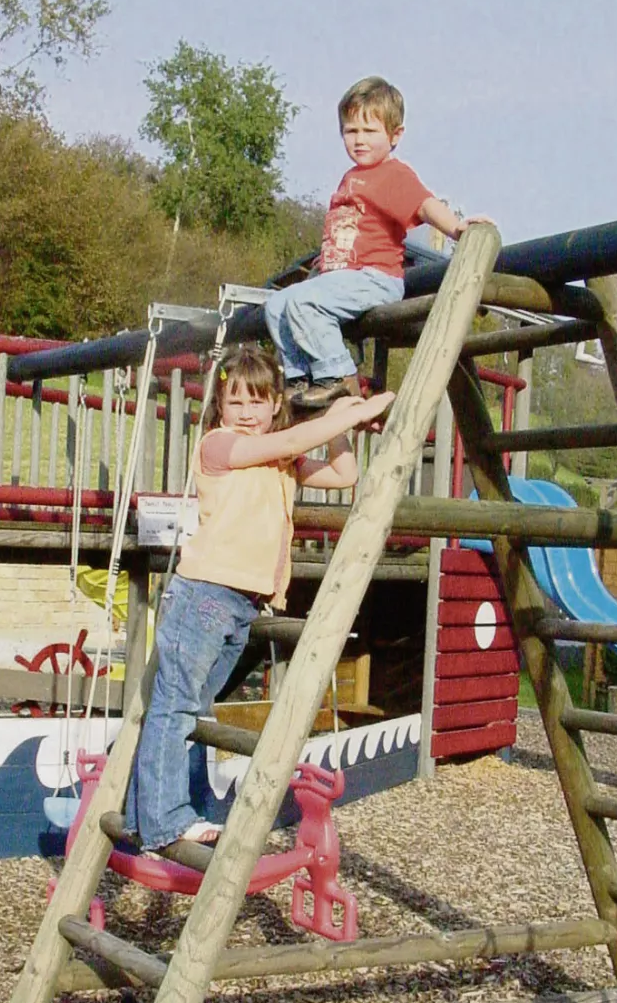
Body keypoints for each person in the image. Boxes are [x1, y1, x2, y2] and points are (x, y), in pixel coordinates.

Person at [128, 344, 395, 851]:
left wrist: (339, 423)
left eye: (257, 402)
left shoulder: (281, 461)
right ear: (219, 408)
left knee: (190, 708)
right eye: (236, 402)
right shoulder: (219, 446)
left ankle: (150, 813)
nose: (246, 414)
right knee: (177, 705)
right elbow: (293, 437)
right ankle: (164, 822)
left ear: (276, 403)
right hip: (204, 593)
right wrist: (354, 409)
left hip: (241, 603)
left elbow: (344, 475)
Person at [264, 75, 493, 411]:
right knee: (276, 305)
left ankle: (339, 376)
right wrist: (325, 261)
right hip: (341, 277)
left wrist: (457, 228)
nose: (359, 140)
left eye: (369, 132)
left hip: (374, 278)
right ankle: (299, 379)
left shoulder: (393, 174)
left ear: (395, 135)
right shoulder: (351, 177)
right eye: (350, 131)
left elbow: (424, 204)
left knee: (302, 302)